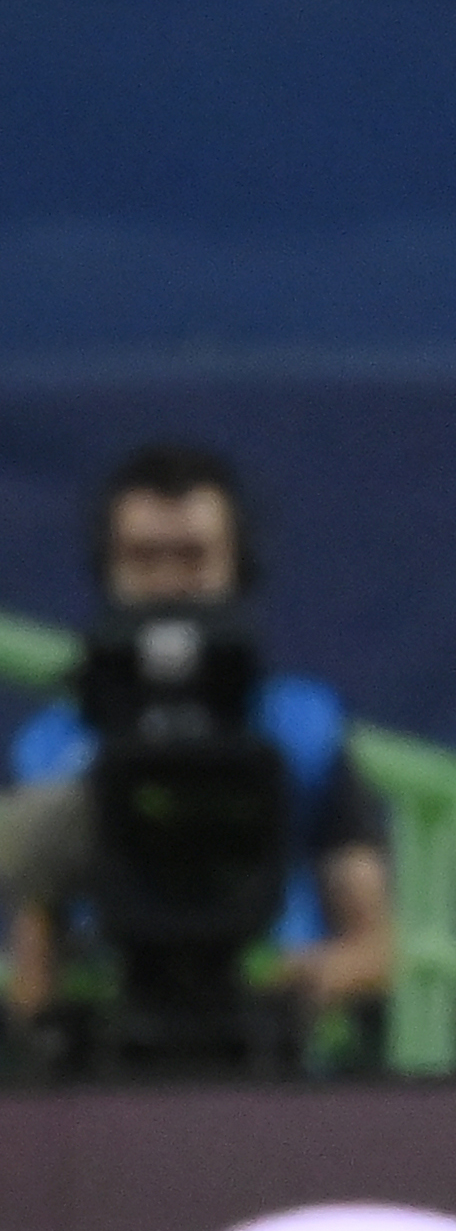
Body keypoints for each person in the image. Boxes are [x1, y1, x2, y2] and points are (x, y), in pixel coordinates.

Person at [5, 443, 392, 1070]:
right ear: (108, 569)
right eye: (142, 559)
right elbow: (34, 972)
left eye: (192, 557)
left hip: (272, 1055)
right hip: (113, 1054)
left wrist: (307, 984)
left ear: (238, 566)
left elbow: (374, 947)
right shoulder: (50, 748)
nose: (167, 583)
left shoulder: (304, 728)